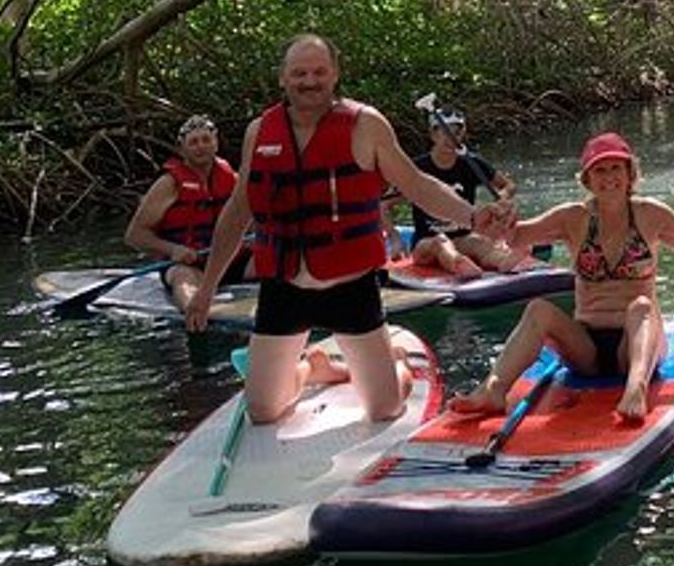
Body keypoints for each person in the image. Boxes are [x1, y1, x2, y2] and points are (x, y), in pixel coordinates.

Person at [185, 34, 508, 424]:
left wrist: (472, 216)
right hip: (284, 285)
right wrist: (206, 291)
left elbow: (417, 184)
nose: (310, 81)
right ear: (282, 79)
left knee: (385, 409)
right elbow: (237, 213)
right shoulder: (260, 132)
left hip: (351, 286)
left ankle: (398, 366)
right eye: (299, 73)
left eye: (319, 72)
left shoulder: (365, 124)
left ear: (335, 75)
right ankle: (313, 369)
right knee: (263, 411)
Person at [451, 131, 674, 424]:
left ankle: (636, 389)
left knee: (642, 305)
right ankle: (493, 391)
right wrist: (499, 221)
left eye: (616, 167)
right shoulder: (572, 218)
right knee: (539, 309)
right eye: (600, 169)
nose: (609, 176)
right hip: (586, 347)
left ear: (630, 174)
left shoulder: (651, 214)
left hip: (637, 346)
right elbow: (517, 238)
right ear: (587, 179)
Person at [382, 96, 529, 276]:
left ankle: (502, 261)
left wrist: (501, 201)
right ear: (433, 134)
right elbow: (383, 205)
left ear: (463, 134)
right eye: (444, 131)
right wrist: (394, 236)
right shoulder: (417, 169)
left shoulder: (470, 162)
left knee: (479, 243)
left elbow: (508, 185)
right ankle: (458, 264)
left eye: (456, 132)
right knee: (441, 242)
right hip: (426, 243)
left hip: (463, 237)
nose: (450, 138)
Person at [124, 114, 247, 310]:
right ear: (182, 149)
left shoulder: (232, 179)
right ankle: (197, 312)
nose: (201, 146)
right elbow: (135, 236)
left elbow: (256, 218)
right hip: (188, 264)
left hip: (225, 260)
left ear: (216, 143)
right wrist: (173, 250)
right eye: (194, 142)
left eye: (206, 140)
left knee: (276, 257)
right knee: (183, 277)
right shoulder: (168, 184)